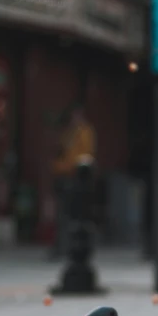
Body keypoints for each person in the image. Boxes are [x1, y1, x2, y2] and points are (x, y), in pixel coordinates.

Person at [51, 104, 96, 257]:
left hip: (76, 176)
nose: (74, 119)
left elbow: (86, 155)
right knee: (62, 214)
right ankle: (61, 246)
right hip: (62, 175)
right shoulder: (68, 132)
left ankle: (70, 246)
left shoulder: (84, 132)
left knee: (73, 215)